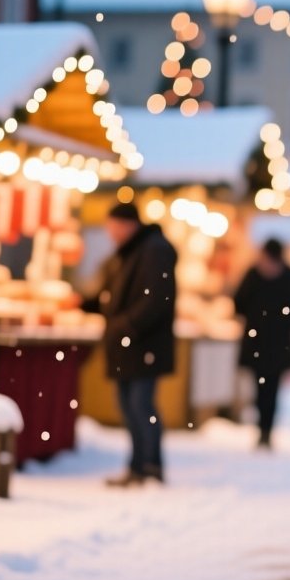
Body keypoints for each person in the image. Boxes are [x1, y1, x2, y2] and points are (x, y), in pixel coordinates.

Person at [82, 202, 178, 486]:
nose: (110, 233)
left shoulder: (154, 250)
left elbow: (156, 299)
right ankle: (139, 466)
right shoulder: (128, 252)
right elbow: (111, 295)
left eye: (113, 226)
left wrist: (125, 326)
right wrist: (84, 303)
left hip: (143, 344)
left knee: (140, 406)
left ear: (128, 225)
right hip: (128, 343)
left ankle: (149, 467)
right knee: (129, 406)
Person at [234, 238, 290, 449]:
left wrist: (269, 319)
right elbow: (238, 303)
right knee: (263, 389)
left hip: (267, 344)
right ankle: (263, 429)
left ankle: (265, 430)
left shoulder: (268, 275)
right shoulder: (261, 275)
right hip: (269, 344)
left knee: (269, 389)